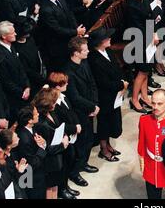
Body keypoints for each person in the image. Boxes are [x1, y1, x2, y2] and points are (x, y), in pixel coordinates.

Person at [88, 28, 129, 162]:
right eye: (107, 37)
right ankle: (103, 149)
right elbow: (102, 82)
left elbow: (117, 68)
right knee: (104, 124)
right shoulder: (94, 59)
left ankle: (108, 145)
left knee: (113, 122)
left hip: (114, 95)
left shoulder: (109, 51)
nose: (110, 38)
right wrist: (121, 85)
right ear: (100, 42)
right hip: (104, 97)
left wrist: (123, 80)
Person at [64, 36, 99, 187]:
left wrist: (95, 104)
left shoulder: (84, 63)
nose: (88, 51)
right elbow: (75, 97)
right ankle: (74, 172)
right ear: (76, 53)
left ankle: (83, 163)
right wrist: (91, 107)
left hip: (89, 108)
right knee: (80, 143)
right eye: (85, 50)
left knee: (89, 139)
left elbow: (92, 83)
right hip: (78, 112)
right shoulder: (68, 72)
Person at [47, 72, 81, 199]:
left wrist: (77, 124)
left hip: (71, 135)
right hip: (62, 137)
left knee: (70, 159)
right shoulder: (52, 103)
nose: (67, 84)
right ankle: (62, 189)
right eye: (64, 83)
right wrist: (73, 128)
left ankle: (65, 186)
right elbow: (58, 123)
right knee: (63, 164)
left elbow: (71, 113)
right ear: (56, 86)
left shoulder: (64, 97)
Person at [38, 0, 85, 71]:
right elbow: (56, 29)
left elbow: (69, 13)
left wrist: (76, 30)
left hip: (69, 37)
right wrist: (75, 32)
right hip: (58, 45)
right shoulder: (46, 9)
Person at [32, 87, 69, 199]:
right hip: (49, 161)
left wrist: (65, 136)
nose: (55, 103)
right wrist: (63, 144)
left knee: (55, 185)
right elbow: (45, 147)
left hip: (57, 158)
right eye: (53, 102)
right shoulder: (40, 123)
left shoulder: (52, 113)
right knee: (50, 187)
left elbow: (58, 127)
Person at [126, 0, 155, 114]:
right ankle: (134, 99)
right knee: (142, 70)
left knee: (147, 70)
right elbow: (137, 28)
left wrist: (153, 34)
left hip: (147, 37)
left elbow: (150, 17)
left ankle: (144, 96)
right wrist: (151, 37)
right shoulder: (131, 6)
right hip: (137, 40)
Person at [0, 21, 31, 123]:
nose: (15, 34)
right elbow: (6, 81)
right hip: (15, 98)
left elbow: (21, 69)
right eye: (12, 33)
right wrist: (21, 93)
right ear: (4, 36)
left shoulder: (12, 47)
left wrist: (27, 86)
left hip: (23, 91)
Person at [16, 105, 47, 199]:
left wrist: (44, 143)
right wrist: (42, 148)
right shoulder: (24, 138)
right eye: (36, 113)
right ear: (29, 120)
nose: (38, 114)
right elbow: (32, 163)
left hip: (37, 175)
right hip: (31, 178)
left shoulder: (33, 128)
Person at [14, 16, 47, 96]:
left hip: (40, 68)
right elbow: (25, 69)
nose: (28, 34)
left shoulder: (30, 39)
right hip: (33, 79)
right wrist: (39, 77)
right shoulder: (17, 48)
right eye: (26, 33)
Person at [0, 129, 28, 199]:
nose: (19, 138)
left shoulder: (11, 155)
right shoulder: (2, 161)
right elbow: (8, 180)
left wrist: (18, 170)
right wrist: (19, 171)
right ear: (8, 146)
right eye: (16, 138)